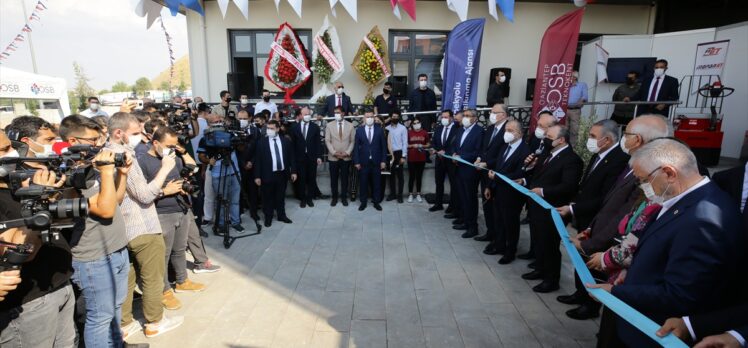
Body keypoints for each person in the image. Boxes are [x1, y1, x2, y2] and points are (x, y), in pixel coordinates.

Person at [587, 139, 744, 348]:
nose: (643, 188)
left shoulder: (703, 219)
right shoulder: (680, 198)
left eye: (644, 180)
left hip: (656, 330)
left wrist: (615, 292)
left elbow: (681, 293)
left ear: (669, 173)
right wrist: (632, 273)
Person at [568, 114, 672, 346]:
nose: (622, 139)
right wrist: (591, 229)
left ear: (640, 139)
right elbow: (611, 203)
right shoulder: (633, 163)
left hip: (628, 266)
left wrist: (598, 248)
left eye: (626, 135)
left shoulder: (656, 176)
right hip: (610, 247)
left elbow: (630, 217)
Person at [108, 112, 184, 339]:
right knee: (152, 277)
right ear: (118, 133)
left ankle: (125, 323)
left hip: (121, 230)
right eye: (135, 133)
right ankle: (155, 321)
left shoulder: (105, 153)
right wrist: (165, 169)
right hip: (142, 226)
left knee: (127, 281)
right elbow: (144, 194)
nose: (140, 136)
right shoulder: (123, 156)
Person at [57, 115, 131, 346]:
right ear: (72, 141)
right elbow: (105, 211)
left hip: (117, 248)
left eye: (99, 139)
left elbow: (115, 201)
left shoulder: (94, 165)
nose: (99, 145)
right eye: (91, 140)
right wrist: (107, 172)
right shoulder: (66, 174)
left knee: (115, 310)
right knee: (100, 318)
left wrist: (123, 173)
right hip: (93, 258)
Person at [0, 130, 76, 348]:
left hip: (59, 284)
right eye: (4, 150)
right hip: (28, 304)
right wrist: (38, 203)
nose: (14, 153)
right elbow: (20, 251)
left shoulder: (17, 180)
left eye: (12, 146)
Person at [553, 119, 628, 320]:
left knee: (593, 263)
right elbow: (586, 187)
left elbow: (604, 197)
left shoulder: (618, 160)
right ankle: (580, 292)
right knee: (581, 258)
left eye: (593, 137)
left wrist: (573, 208)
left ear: (608, 139)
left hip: (599, 219)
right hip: (585, 218)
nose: (589, 140)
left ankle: (590, 304)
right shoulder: (598, 155)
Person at [137, 126, 206, 314]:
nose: (172, 149)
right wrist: (164, 191)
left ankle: (182, 281)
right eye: (169, 145)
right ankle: (164, 290)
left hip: (181, 208)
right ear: (156, 143)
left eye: (174, 146)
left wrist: (182, 153)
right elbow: (141, 193)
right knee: (163, 256)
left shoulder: (173, 157)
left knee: (179, 250)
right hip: (161, 214)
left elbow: (192, 169)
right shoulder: (143, 162)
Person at [519, 125, 583, 293]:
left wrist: (543, 191)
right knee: (539, 242)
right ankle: (540, 269)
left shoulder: (571, 159)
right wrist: (528, 169)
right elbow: (537, 176)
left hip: (553, 209)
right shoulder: (547, 154)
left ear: (561, 140)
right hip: (537, 207)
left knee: (550, 245)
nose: (545, 138)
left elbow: (568, 186)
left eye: (549, 136)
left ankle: (551, 279)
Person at [487, 119, 531, 264]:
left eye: (510, 130)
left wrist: (498, 177)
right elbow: (497, 168)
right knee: (499, 220)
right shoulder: (504, 147)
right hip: (498, 191)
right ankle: (499, 245)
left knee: (510, 224)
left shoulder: (525, 151)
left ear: (519, 133)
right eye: (506, 130)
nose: (507, 133)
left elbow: (520, 174)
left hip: (512, 195)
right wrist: (490, 185)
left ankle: (510, 251)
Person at [517, 111, 558, 261]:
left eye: (541, 126)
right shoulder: (536, 138)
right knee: (534, 226)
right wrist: (528, 168)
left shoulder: (554, 146)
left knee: (545, 233)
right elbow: (533, 163)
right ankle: (533, 252)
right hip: (532, 190)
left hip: (546, 196)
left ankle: (540, 260)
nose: (537, 128)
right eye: (537, 124)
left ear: (551, 128)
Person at [196, 114, 243, 232]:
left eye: (220, 120)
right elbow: (201, 156)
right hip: (218, 173)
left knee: (235, 199)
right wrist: (208, 160)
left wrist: (239, 139)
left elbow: (242, 148)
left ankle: (235, 221)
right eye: (215, 121)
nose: (219, 122)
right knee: (221, 201)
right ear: (209, 124)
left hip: (234, 171)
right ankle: (221, 224)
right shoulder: (206, 138)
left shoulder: (230, 134)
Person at [474, 104, 509, 250]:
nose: (491, 115)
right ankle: (490, 232)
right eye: (491, 112)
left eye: (494, 112)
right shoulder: (490, 129)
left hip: (497, 173)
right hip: (484, 172)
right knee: (487, 205)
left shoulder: (508, 131)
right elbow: (484, 148)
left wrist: (487, 162)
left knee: (497, 208)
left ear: (503, 114)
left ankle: (499, 238)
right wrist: (479, 158)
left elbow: (504, 154)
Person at [254, 120, 297, 227]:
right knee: (267, 197)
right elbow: (258, 160)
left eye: (272, 128)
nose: (269, 131)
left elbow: (292, 157)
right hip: (267, 174)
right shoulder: (261, 142)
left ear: (278, 129)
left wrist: (294, 171)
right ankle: (268, 217)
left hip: (282, 174)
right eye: (268, 128)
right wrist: (257, 176)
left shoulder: (285, 141)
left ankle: (281, 215)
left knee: (280, 196)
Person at [451, 109, 485, 239]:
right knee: (463, 197)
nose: (464, 118)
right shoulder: (461, 130)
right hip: (459, 168)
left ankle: (473, 227)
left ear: (475, 118)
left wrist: (462, 157)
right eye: (463, 115)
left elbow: (478, 151)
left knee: (470, 198)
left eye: (467, 116)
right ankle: (465, 221)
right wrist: (454, 153)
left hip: (470, 170)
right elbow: (455, 146)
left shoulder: (479, 132)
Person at [353, 110, 387, 211]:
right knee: (363, 183)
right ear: (364, 118)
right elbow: (356, 148)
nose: (369, 119)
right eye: (367, 117)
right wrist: (357, 161)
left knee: (376, 183)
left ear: (374, 117)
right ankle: (363, 203)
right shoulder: (359, 130)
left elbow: (384, 147)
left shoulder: (379, 130)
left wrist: (383, 161)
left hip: (376, 162)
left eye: (371, 117)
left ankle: (376, 202)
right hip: (363, 162)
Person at [290, 106, 322, 208]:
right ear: (300, 115)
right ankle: (303, 199)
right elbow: (293, 146)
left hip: (312, 158)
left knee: (311, 179)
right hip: (300, 158)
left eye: (309, 114)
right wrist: (293, 160)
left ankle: (309, 198)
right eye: (305, 114)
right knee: (301, 180)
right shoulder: (294, 128)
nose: (307, 116)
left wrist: (319, 156)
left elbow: (318, 144)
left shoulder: (315, 127)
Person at [325, 106, 355, 207]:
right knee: (333, 179)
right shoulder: (329, 125)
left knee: (345, 179)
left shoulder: (350, 126)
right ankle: (334, 198)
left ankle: (343, 198)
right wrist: (334, 152)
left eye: (338, 112)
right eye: (335, 113)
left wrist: (347, 152)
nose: (336, 114)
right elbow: (327, 141)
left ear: (343, 113)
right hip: (333, 157)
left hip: (346, 157)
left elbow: (352, 141)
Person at [428, 110, 458, 212]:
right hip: (439, 160)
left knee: (453, 184)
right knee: (438, 182)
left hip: (450, 161)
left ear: (451, 118)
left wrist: (445, 152)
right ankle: (438, 203)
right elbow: (434, 142)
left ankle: (452, 205)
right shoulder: (439, 128)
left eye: (446, 117)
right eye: (442, 117)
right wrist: (433, 149)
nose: (444, 119)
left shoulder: (457, 129)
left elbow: (456, 145)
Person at [385, 110, 408, 203]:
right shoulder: (386, 128)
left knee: (400, 176)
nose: (395, 118)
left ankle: (400, 195)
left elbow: (405, 143)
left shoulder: (403, 128)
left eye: (396, 116)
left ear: (399, 117)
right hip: (390, 154)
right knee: (391, 176)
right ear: (390, 117)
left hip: (399, 153)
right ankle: (393, 194)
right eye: (393, 116)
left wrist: (404, 156)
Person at [406, 117, 429, 203]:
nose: (416, 124)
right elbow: (405, 144)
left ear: (420, 123)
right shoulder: (409, 133)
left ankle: (418, 194)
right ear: (412, 125)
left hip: (421, 158)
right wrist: (412, 146)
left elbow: (428, 144)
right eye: (414, 123)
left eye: (417, 122)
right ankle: (410, 194)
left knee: (419, 177)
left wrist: (422, 146)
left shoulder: (425, 133)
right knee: (412, 177)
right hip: (411, 158)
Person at [567, 70, 588, 144]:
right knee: (564, 128)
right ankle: (564, 145)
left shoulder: (582, 85)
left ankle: (573, 146)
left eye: (570, 76)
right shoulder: (566, 85)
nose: (568, 78)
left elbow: (585, 97)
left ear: (574, 78)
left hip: (575, 110)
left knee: (574, 130)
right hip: (564, 109)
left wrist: (581, 101)